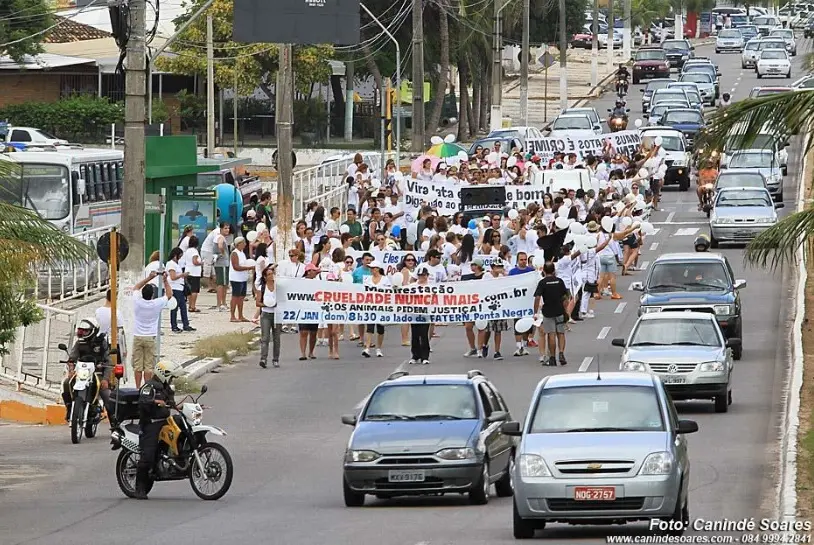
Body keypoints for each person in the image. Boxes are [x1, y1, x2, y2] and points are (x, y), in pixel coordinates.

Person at [134, 359, 183, 500]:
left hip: (165, 422)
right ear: (164, 374)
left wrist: (186, 407)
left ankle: (179, 459)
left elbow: (172, 404)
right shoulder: (149, 387)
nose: (172, 379)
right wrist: (155, 402)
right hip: (150, 424)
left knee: (182, 426)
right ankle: (140, 488)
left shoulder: (166, 388)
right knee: (148, 455)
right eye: (171, 376)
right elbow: (143, 402)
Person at [61, 318, 111, 421]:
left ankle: (114, 421)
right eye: (81, 331)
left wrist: (106, 379)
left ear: (94, 330)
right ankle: (70, 408)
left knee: (107, 394)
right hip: (82, 373)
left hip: (97, 373)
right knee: (66, 383)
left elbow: (108, 361)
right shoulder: (79, 343)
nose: (83, 333)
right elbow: (72, 358)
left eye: (86, 331)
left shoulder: (101, 343)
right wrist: (71, 370)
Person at [131, 270, 173, 388]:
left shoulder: (138, 302)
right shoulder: (156, 304)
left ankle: (137, 387)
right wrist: (165, 280)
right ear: (152, 295)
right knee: (149, 366)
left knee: (138, 365)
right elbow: (169, 295)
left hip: (138, 336)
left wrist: (149, 278)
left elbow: (135, 288)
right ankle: (147, 387)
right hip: (150, 337)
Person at [533, 261, 569, 367]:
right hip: (559, 311)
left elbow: (537, 297)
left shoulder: (543, 283)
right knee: (561, 333)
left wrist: (535, 312)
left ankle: (552, 357)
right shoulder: (559, 281)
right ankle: (561, 353)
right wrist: (565, 309)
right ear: (554, 270)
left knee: (551, 334)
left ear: (544, 271)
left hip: (548, 312)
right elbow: (566, 297)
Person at [257, 263, 281, 368]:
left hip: (276, 314)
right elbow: (258, 302)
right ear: (265, 277)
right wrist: (266, 304)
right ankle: (263, 358)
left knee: (276, 338)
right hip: (266, 314)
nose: (271, 276)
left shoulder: (278, 286)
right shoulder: (261, 288)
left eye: (272, 274)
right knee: (265, 337)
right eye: (269, 274)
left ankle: (275, 359)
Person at [409, 266, 432, 365]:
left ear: (427, 276)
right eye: (419, 275)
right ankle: (415, 355)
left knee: (424, 335)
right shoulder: (412, 286)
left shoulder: (431, 286)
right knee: (414, 335)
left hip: (425, 314)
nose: (421, 277)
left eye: (423, 275)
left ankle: (425, 356)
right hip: (414, 313)